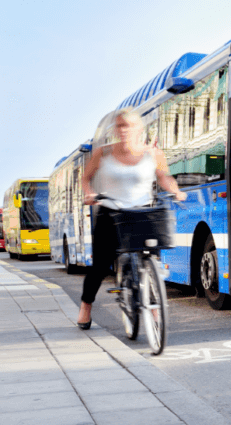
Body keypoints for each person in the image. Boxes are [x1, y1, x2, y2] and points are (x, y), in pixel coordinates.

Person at [76, 109, 187, 330]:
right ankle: (86, 306)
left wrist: (176, 191)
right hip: (111, 213)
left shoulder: (153, 154)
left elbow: (164, 176)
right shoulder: (102, 153)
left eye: (128, 125)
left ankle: (154, 307)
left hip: (143, 213)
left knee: (151, 260)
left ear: (139, 129)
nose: (123, 130)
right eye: (119, 126)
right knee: (99, 266)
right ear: (115, 129)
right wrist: (88, 193)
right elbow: (86, 178)